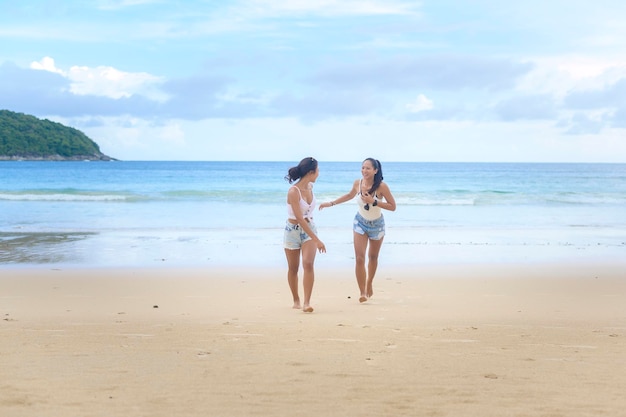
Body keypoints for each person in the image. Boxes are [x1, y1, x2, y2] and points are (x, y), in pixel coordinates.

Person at [319, 158, 396, 303]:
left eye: (368, 168)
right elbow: (349, 195)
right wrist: (331, 203)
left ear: (375, 170)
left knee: (373, 258)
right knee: (359, 258)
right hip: (360, 222)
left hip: (377, 225)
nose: (364, 171)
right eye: (363, 168)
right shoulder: (358, 183)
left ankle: (369, 283)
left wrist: (373, 201)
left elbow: (393, 206)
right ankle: (362, 293)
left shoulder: (381, 187)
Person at [284, 157, 326, 313]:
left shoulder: (310, 186)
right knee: (293, 268)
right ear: (311, 172)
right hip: (292, 231)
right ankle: (296, 299)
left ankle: (307, 302)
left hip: (310, 228)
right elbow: (300, 219)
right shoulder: (293, 192)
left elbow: (307, 217)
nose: (318, 173)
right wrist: (318, 240)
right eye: (318, 170)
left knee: (308, 264)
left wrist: (314, 237)